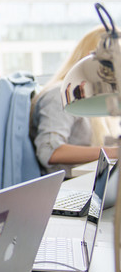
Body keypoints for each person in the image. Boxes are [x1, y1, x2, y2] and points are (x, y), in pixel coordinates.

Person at [31, 27, 120, 175]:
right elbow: (49, 151)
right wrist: (113, 152)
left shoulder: (100, 96)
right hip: (70, 186)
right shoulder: (60, 95)